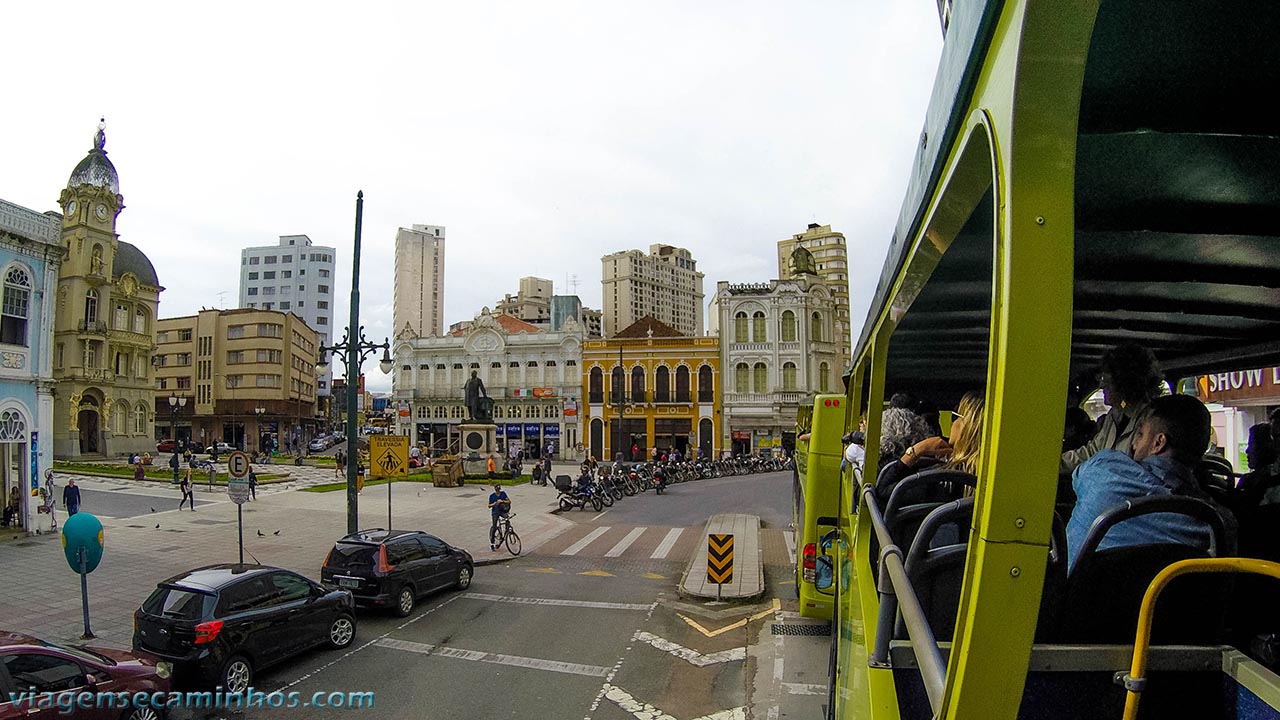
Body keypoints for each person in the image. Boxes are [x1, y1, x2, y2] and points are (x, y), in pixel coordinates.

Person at [1065, 394, 1214, 570]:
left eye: (1140, 435)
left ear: (1158, 442)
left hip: (1077, 596)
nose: (1133, 444)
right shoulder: (1216, 524)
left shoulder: (1102, 471)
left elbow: (1077, 478)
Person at [1061, 343, 1164, 473]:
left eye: (1106, 379)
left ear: (1124, 382)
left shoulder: (1150, 421)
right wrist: (1056, 463)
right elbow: (1093, 451)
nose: (1102, 386)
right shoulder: (1115, 415)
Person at [488, 483, 510, 551]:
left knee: (507, 519)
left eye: (499, 489)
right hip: (495, 512)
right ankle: (492, 543)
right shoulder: (492, 496)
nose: (498, 491)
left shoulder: (503, 494)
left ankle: (507, 531)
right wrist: (494, 504)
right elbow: (489, 506)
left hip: (502, 511)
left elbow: (509, 501)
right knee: (494, 526)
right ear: (495, 489)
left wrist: (502, 501)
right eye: (496, 489)